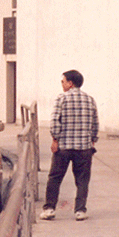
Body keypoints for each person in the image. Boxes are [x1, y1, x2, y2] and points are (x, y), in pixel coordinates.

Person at [40, 70, 99, 222]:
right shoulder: (90, 99)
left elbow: (55, 122)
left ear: (70, 83)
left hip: (64, 147)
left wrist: (55, 139)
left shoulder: (61, 98)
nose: (62, 85)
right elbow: (95, 123)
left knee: (55, 178)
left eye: (63, 82)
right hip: (84, 148)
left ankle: (49, 209)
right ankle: (80, 210)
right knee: (82, 180)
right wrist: (92, 139)